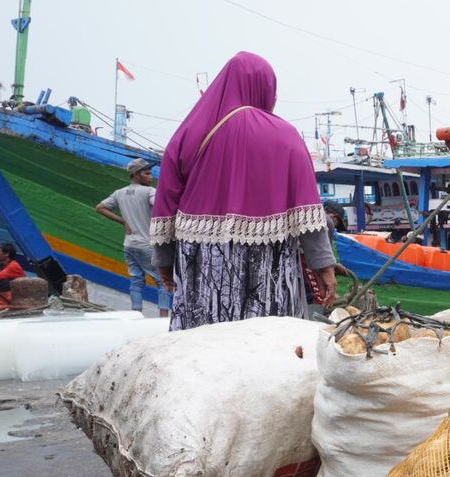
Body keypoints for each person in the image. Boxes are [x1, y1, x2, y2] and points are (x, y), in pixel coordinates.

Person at [150, 51, 336, 331]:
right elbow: (307, 209)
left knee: (201, 346)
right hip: (268, 262)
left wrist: (163, 262)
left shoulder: (187, 133)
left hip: (202, 263)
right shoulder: (286, 136)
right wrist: (323, 265)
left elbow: (165, 203)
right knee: (268, 346)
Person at [95, 158, 172, 317]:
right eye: (147, 173)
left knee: (136, 281)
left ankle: (135, 315)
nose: (151, 177)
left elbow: (100, 208)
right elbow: (159, 205)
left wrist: (123, 221)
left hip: (129, 245)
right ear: (136, 175)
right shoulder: (150, 191)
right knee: (162, 282)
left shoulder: (119, 193)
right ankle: (163, 318)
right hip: (147, 245)